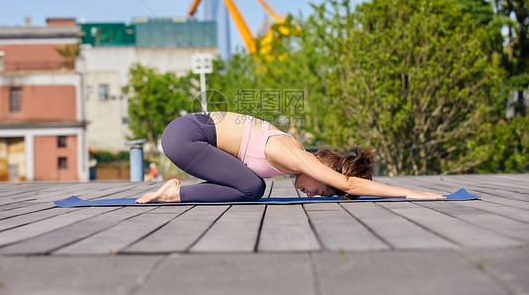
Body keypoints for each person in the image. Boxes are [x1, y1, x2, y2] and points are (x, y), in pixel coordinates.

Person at [136, 112, 444, 203]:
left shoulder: (291, 151)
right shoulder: (296, 156)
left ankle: (177, 190)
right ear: (323, 170)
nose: (312, 193)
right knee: (253, 187)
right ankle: (175, 193)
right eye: (321, 188)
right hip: (184, 136)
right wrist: (408, 192)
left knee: (252, 185)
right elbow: (349, 185)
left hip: (188, 134)